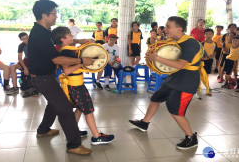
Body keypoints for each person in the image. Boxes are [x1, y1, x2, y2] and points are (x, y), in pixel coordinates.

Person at [28, 0, 93, 155]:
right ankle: (74, 144)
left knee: (53, 104)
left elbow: (56, 43)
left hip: (45, 76)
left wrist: (79, 40)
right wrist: (82, 60)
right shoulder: (40, 34)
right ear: (44, 15)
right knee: (64, 108)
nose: (56, 17)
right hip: (42, 78)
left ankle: (43, 130)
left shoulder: (43, 31)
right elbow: (56, 59)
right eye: (53, 13)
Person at [129, 16, 202, 150]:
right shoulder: (176, 40)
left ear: (179, 28)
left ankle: (191, 137)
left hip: (187, 80)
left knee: (175, 110)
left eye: (168, 26)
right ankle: (144, 123)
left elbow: (180, 64)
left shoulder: (189, 43)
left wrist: (157, 58)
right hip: (175, 77)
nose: (165, 29)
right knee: (156, 98)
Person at [53, 26, 115, 145]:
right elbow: (66, 71)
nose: (72, 37)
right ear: (62, 39)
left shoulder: (68, 49)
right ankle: (97, 137)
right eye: (70, 35)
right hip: (75, 85)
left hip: (76, 84)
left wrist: (84, 62)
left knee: (80, 108)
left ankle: (73, 131)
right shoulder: (66, 51)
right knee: (88, 110)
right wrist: (83, 62)